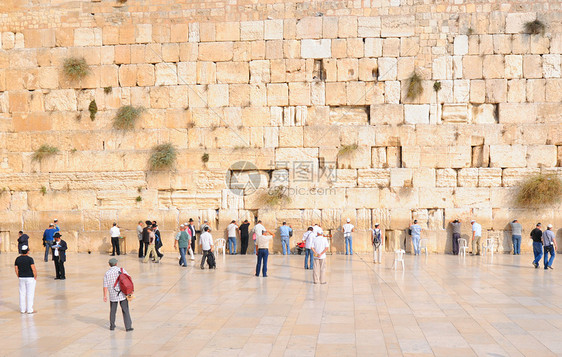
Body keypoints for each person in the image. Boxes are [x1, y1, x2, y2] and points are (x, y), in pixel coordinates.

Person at [103, 258, 133, 331]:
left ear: (109, 264)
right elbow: (129, 278)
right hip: (122, 293)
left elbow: (105, 286)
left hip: (113, 295)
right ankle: (128, 327)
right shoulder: (121, 270)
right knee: (125, 310)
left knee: (113, 311)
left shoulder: (107, 273)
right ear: (116, 264)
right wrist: (130, 290)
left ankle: (112, 326)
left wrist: (105, 296)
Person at [14, 245, 37, 314]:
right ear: (27, 251)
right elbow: (33, 269)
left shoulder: (17, 259)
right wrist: (35, 276)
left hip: (21, 277)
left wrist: (19, 276)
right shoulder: (30, 259)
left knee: (22, 293)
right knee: (30, 293)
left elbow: (16, 269)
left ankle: (22, 309)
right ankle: (30, 309)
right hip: (30, 277)